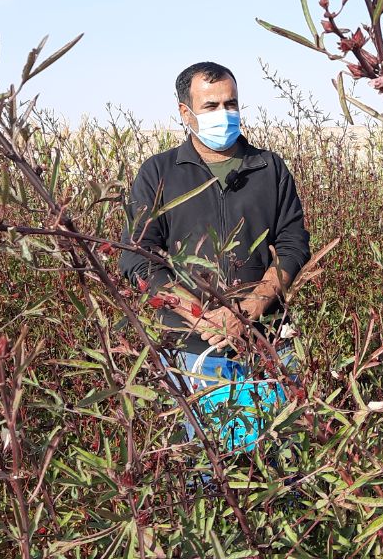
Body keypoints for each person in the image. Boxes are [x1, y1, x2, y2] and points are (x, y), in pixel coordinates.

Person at [120, 61, 310, 450]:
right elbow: (138, 256)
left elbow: (293, 244)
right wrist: (200, 316)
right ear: (185, 113)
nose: (225, 114)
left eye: (231, 103)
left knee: (283, 462)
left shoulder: (267, 167)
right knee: (218, 468)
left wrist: (249, 308)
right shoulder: (159, 173)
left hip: (269, 342)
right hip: (197, 350)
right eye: (211, 106)